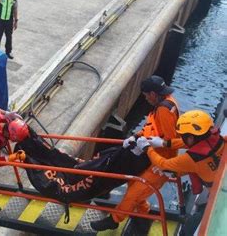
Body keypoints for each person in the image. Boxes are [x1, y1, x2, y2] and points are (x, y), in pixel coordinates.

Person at [91, 75, 180, 231]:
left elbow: (169, 140)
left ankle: (114, 219)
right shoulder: (167, 102)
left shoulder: (164, 110)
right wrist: (137, 136)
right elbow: (152, 127)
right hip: (153, 157)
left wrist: (151, 144)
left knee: (135, 191)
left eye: (146, 95)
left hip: (162, 163)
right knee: (134, 185)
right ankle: (142, 218)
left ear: (153, 94)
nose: (145, 99)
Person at [141, 110, 225, 192]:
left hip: (218, 193)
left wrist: (147, 148)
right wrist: (164, 143)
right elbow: (202, 163)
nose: (182, 138)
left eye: (183, 136)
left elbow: (163, 164)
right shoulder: (219, 140)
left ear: (190, 138)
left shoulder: (191, 158)